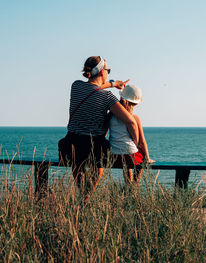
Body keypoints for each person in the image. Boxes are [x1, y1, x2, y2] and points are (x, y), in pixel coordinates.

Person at [61, 56, 140, 202]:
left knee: (80, 177)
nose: (108, 73)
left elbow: (93, 87)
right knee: (96, 173)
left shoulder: (76, 86)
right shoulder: (107, 97)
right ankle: (86, 199)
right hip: (94, 145)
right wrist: (137, 143)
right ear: (102, 72)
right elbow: (130, 122)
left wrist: (113, 83)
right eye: (108, 70)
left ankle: (83, 199)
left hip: (72, 142)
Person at [109, 84, 154, 183]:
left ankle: (128, 183)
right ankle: (135, 184)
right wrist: (147, 158)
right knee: (138, 155)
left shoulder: (111, 116)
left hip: (114, 156)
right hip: (130, 156)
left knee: (127, 156)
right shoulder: (135, 118)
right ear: (136, 103)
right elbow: (142, 142)